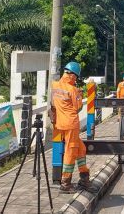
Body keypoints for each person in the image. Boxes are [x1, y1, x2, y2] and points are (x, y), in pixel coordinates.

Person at [51, 61, 91, 193]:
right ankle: (66, 183)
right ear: (73, 75)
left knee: (81, 149)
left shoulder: (55, 85)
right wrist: (79, 95)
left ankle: (84, 178)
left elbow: (53, 104)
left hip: (60, 123)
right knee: (70, 151)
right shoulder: (72, 90)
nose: (76, 80)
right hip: (71, 124)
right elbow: (78, 107)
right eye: (76, 77)